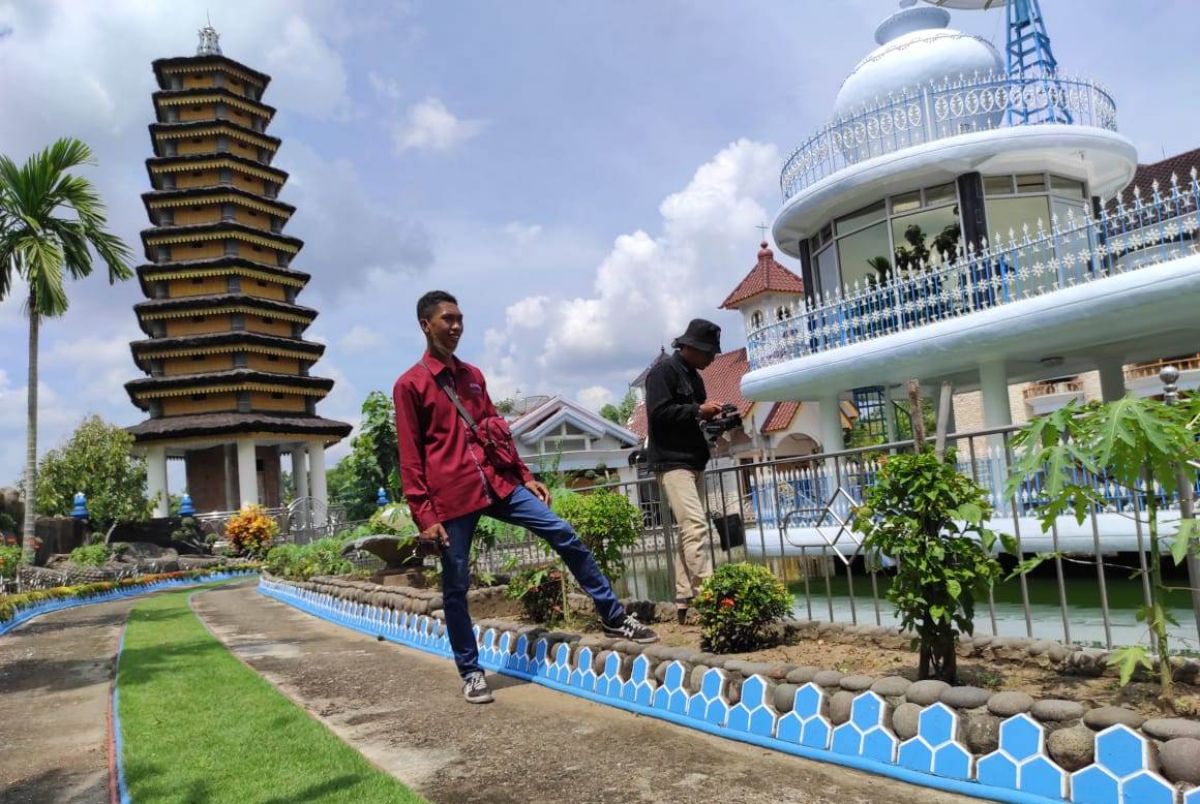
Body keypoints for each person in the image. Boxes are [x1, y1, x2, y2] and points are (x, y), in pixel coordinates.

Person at [394, 290, 658, 704]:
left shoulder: (473, 377)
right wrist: (424, 515)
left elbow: (495, 432)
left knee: (562, 531)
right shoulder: (410, 385)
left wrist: (523, 476)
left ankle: (612, 616)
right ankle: (471, 670)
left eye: (461, 318)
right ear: (426, 325)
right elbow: (410, 457)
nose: (457, 326)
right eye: (448, 319)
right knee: (456, 585)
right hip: (452, 496)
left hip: (498, 483)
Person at [644, 319, 724, 624]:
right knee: (695, 526)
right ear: (691, 347)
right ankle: (713, 596)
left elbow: (695, 418)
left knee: (688, 531)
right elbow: (659, 414)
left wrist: (714, 418)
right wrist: (696, 410)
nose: (712, 359)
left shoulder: (694, 377)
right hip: (672, 462)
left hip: (693, 459)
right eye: (709, 352)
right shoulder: (662, 373)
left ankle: (683, 599)